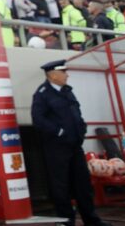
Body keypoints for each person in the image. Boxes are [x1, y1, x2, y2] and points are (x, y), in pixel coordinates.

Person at [31, 60, 109, 226]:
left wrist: (82, 128)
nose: (67, 75)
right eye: (63, 72)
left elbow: (76, 113)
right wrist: (59, 132)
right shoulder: (42, 94)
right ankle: (66, 222)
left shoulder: (67, 91)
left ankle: (92, 220)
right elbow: (38, 119)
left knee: (83, 184)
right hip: (56, 148)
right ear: (53, 75)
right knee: (61, 186)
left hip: (75, 145)